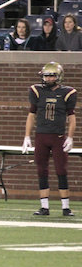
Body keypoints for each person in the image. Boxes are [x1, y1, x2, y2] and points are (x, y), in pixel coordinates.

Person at [21, 62, 77, 217]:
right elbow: (31, 114)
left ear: (59, 76)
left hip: (58, 136)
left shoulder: (68, 92)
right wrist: (27, 136)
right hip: (41, 136)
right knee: (41, 170)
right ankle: (44, 207)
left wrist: (70, 137)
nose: (48, 78)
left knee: (61, 170)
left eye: (52, 75)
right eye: (46, 76)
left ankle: (66, 207)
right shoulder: (36, 90)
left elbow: (71, 117)